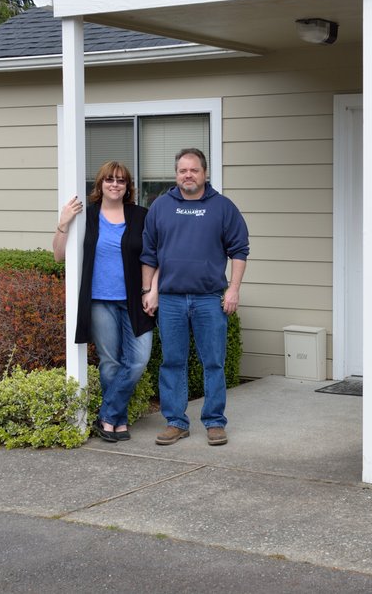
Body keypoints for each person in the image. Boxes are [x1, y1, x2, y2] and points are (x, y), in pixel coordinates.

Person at [141, 147, 249, 447]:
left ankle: (214, 422)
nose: (188, 175)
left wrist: (233, 288)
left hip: (208, 299)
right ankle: (176, 422)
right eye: (182, 170)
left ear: (205, 173)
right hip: (170, 300)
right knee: (172, 362)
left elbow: (239, 250)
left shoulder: (223, 207)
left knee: (213, 362)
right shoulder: (160, 207)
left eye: (194, 170)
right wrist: (148, 290)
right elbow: (149, 253)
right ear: (176, 174)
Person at [53, 161, 157, 443]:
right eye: (109, 179)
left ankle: (107, 416)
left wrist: (153, 290)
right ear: (100, 184)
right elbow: (59, 256)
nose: (115, 184)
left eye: (121, 181)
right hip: (100, 300)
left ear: (128, 187)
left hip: (136, 300)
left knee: (138, 360)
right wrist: (63, 222)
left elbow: (157, 256)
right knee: (110, 363)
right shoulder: (87, 216)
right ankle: (117, 422)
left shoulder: (141, 216)